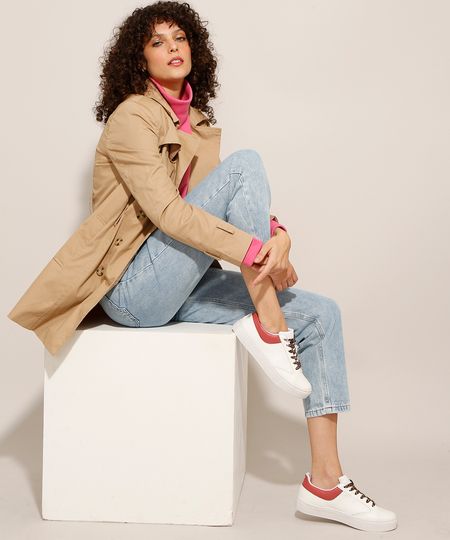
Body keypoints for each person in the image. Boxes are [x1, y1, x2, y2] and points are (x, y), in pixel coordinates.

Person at [9, 1, 397, 532]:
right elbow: (171, 214)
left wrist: (279, 235)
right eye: (158, 42)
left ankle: (325, 484)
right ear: (140, 59)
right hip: (132, 291)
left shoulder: (197, 123)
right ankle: (270, 324)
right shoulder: (131, 118)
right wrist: (258, 254)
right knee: (247, 164)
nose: (173, 48)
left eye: (180, 38)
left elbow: (223, 204)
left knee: (323, 314)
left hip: (179, 280)